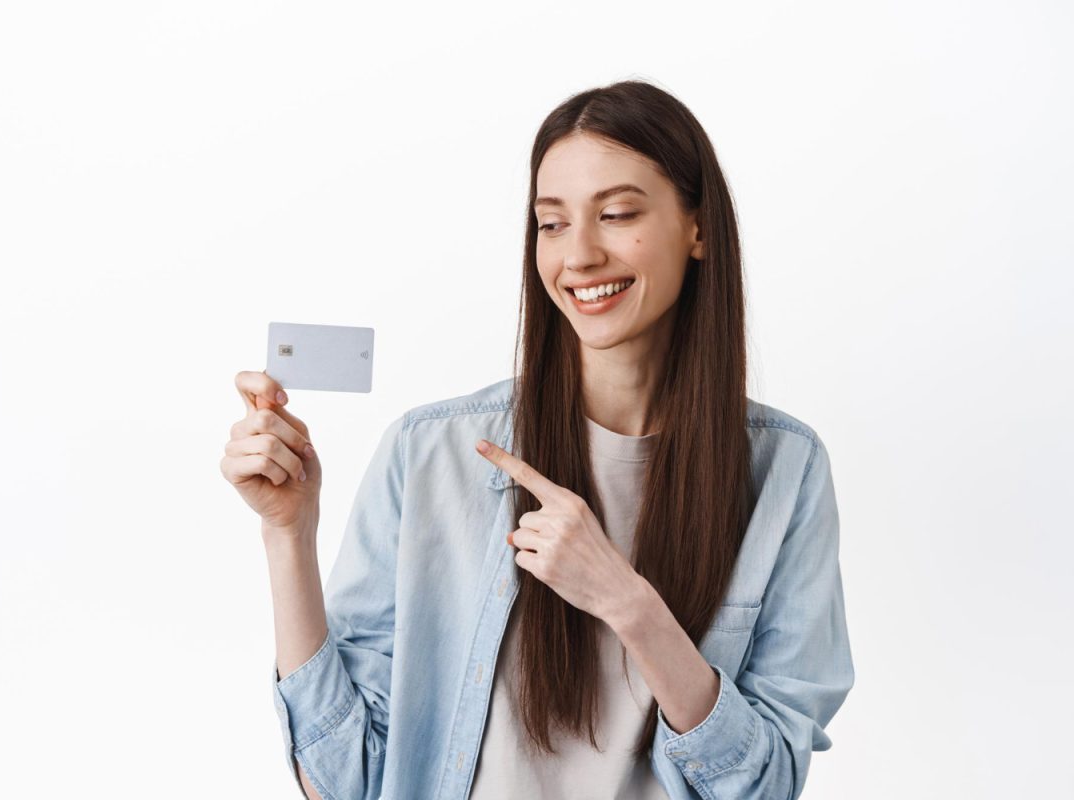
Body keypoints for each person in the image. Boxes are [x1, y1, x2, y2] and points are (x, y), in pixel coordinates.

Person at [220, 79, 855, 800]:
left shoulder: (785, 472)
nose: (578, 255)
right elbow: (347, 781)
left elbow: (764, 785)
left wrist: (630, 605)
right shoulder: (431, 456)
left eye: (615, 214)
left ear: (697, 228)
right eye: (551, 224)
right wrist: (288, 537)